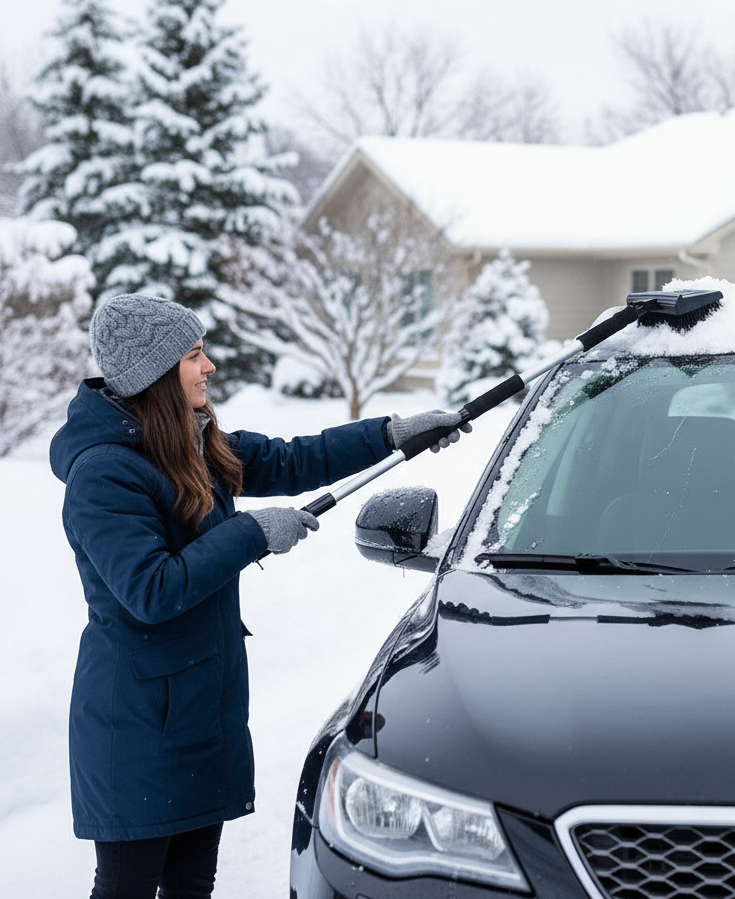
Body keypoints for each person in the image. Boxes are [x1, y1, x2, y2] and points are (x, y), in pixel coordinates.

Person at [49, 294, 468, 899]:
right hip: (136, 727)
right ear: (157, 375)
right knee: (127, 890)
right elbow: (151, 590)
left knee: (193, 885)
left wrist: (393, 434)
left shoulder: (187, 444)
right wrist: (251, 533)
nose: (210, 366)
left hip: (200, 709)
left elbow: (297, 457)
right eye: (195, 355)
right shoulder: (105, 474)